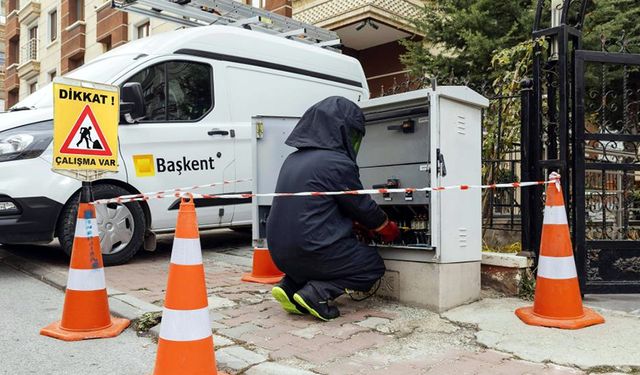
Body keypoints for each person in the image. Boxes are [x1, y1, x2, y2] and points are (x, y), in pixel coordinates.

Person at [266, 96, 400, 321]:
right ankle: (317, 293)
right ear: (343, 131)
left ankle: (289, 287)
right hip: (312, 250)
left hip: (280, 254)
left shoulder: (292, 160)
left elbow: (318, 207)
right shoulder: (336, 161)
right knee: (372, 265)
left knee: (312, 259)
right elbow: (363, 207)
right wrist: (386, 227)